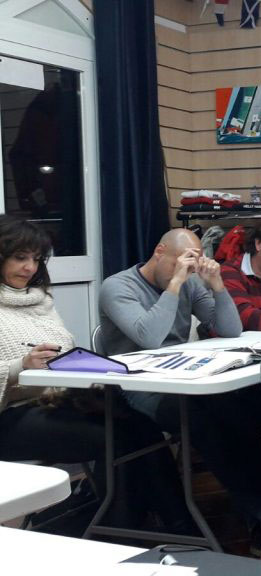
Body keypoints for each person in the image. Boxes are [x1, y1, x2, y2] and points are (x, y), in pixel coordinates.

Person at [98, 228, 261, 561]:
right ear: (159, 251)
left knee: (243, 403)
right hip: (138, 387)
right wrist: (176, 284)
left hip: (185, 375)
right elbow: (149, 337)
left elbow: (232, 329)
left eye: (193, 266)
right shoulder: (118, 286)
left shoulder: (191, 281)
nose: (188, 272)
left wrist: (217, 285)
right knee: (204, 418)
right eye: (181, 264)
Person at [0, 215, 189, 532]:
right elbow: (23, 365)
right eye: (20, 258)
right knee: (116, 439)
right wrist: (20, 367)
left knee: (143, 428)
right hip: (9, 416)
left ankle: (173, 524)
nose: (30, 268)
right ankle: (124, 531)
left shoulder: (40, 300)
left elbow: (62, 349)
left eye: (35, 259)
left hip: (52, 402)